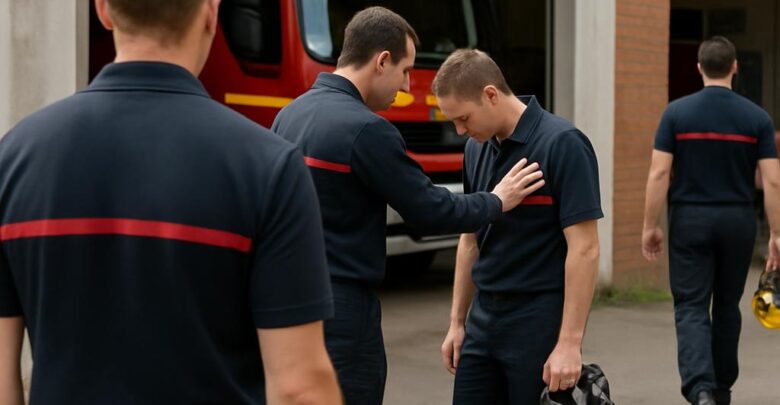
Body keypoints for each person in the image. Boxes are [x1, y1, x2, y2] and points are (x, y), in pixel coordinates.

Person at [0, 1, 341, 404]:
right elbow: (298, 389)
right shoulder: (269, 167)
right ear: (212, 11)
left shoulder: (15, 158)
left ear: (104, 11)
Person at [271, 7, 544, 405]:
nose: (404, 86)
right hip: (343, 312)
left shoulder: (289, 116)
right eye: (405, 71)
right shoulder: (367, 130)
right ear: (382, 61)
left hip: (288, 301)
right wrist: (496, 200)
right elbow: (430, 209)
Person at [432, 49, 602, 404]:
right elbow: (470, 240)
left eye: (463, 118)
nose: (460, 130)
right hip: (482, 321)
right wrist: (457, 323)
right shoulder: (475, 149)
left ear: (490, 94)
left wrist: (569, 344)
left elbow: (584, 249)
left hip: (536, 321)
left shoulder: (563, 144)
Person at [642, 36, 780, 405]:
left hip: (690, 219)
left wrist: (650, 225)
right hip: (738, 221)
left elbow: (659, 173)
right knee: (726, 305)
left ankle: (700, 388)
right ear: (735, 67)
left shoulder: (676, 113)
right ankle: (722, 387)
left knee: (690, 305)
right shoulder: (757, 118)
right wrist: (777, 233)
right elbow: (772, 179)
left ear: (699, 67)